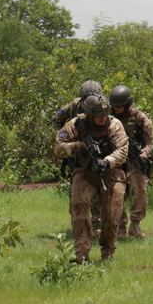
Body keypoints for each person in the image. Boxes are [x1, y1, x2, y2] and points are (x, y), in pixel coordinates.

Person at [54, 94, 128, 263]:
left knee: (111, 214)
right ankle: (81, 252)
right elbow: (58, 148)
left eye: (104, 113)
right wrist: (77, 146)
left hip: (112, 172)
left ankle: (107, 251)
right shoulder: (74, 124)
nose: (102, 117)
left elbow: (123, 150)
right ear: (88, 114)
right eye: (97, 114)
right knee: (78, 205)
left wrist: (107, 161)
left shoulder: (114, 125)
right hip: (85, 172)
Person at [51, 79, 105, 234]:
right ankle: (79, 224)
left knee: (98, 189)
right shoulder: (73, 106)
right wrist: (68, 137)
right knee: (75, 191)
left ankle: (97, 226)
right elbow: (56, 119)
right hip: (77, 155)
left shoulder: (101, 106)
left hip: (96, 152)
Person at [109, 85, 153, 238]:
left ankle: (135, 225)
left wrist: (143, 154)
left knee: (140, 192)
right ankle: (121, 227)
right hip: (117, 161)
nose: (116, 109)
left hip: (136, 161)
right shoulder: (108, 118)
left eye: (119, 106)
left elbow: (149, 142)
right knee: (118, 194)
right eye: (113, 106)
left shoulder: (140, 118)